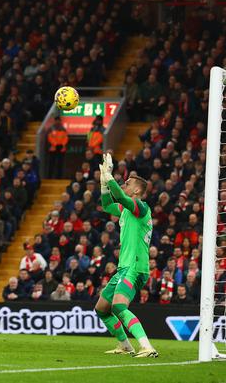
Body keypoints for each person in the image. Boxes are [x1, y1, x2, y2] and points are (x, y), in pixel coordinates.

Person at [94, 153, 157, 358]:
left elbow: (120, 197)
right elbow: (106, 205)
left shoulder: (141, 208)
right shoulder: (126, 210)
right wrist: (104, 183)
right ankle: (125, 345)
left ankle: (147, 346)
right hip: (124, 267)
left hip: (135, 267)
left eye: (128, 183)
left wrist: (110, 176)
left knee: (119, 306)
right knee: (102, 308)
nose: (124, 184)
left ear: (137, 190)